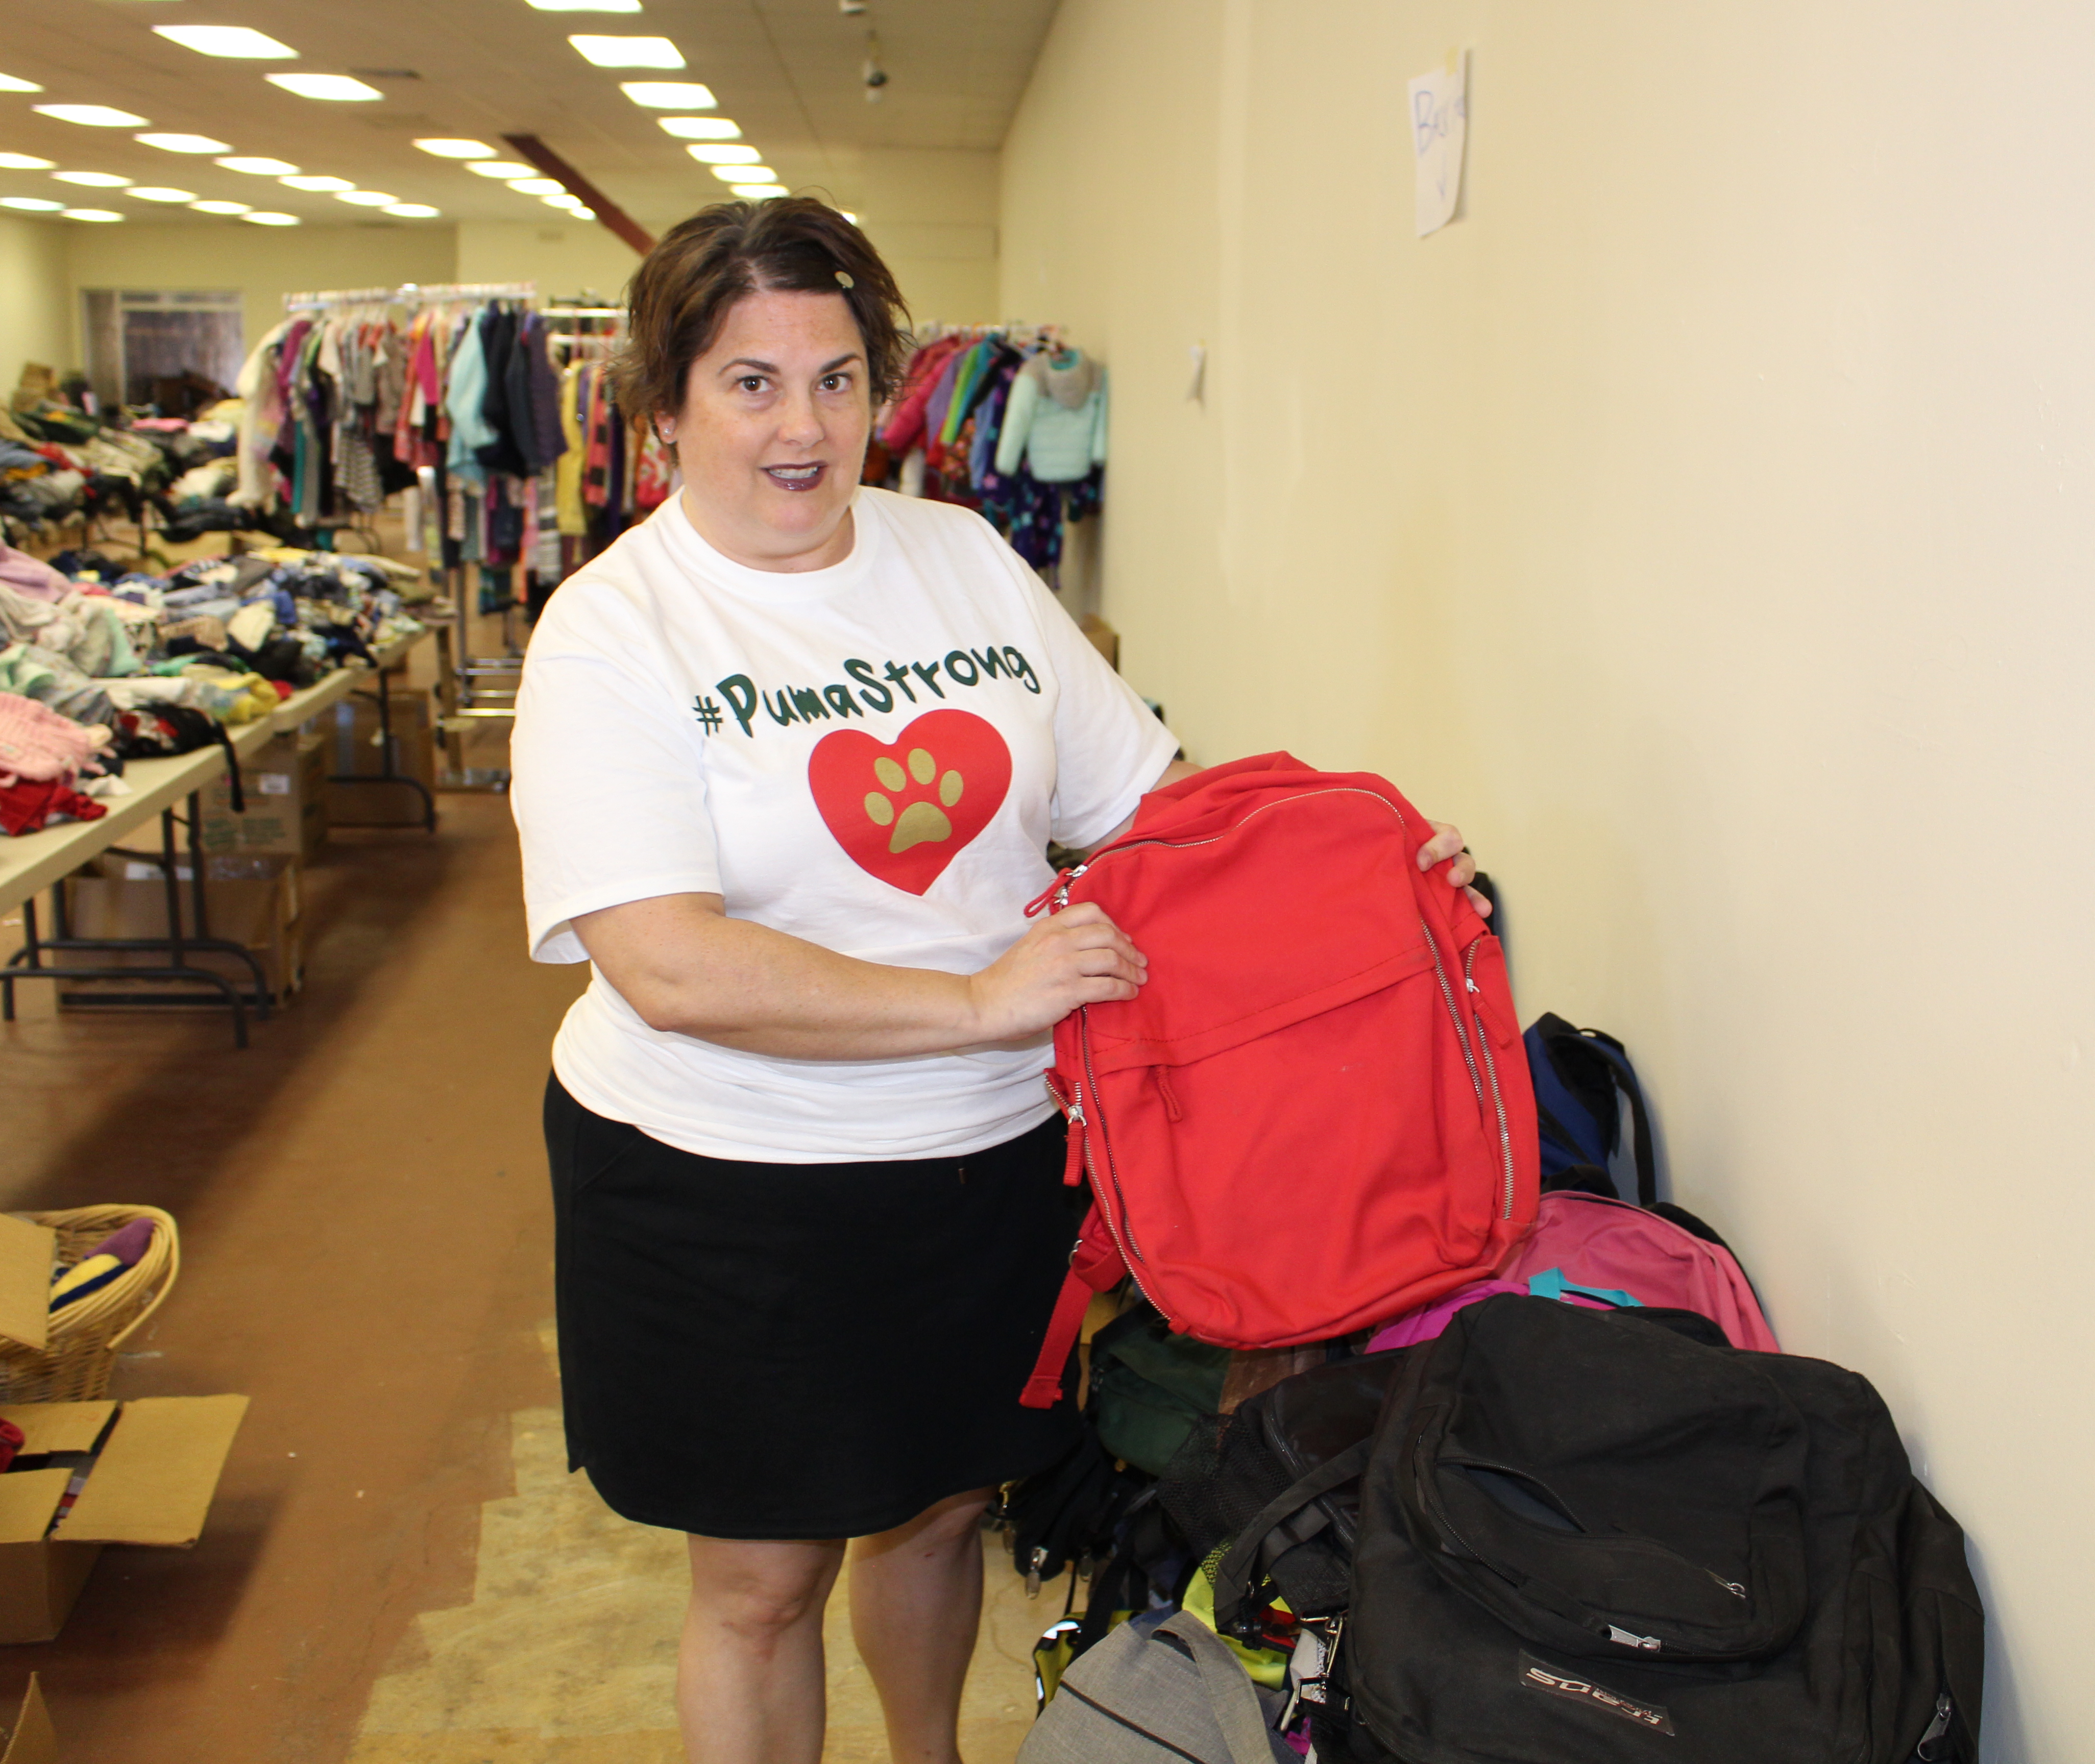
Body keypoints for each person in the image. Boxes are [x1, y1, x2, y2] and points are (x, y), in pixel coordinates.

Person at [509, 198, 1479, 1764]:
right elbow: (669, 962)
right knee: (762, 1579)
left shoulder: (956, 557)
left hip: (981, 1162)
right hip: (726, 1179)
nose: (804, 426)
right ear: (665, 402)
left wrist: (1367, 870)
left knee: (941, 1513)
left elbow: (1155, 811)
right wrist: (978, 1001)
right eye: (750, 382)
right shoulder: (615, 633)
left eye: (836, 377)